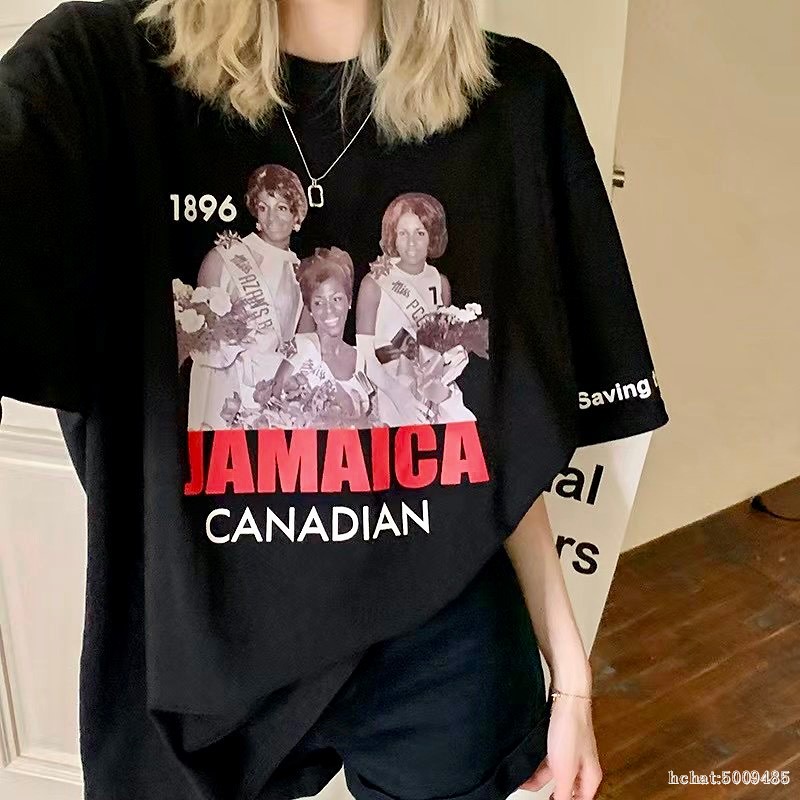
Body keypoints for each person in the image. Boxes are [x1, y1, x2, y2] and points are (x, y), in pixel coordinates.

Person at [0, 2, 671, 800]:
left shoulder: (512, 98)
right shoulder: (99, 71)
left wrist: (571, 675)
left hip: (450, 651)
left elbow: (497, 440)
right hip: (196, 649)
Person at [186, 163, 309, 429]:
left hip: (269, 393)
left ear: (297, 216)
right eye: (264, 207)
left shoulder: (303, 273)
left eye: (282, 208)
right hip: (224, 385)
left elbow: (305, 344)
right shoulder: (224, 257)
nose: (271, 218)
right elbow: (200, 341)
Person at [356, 192, 476, 426]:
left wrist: (453, 359)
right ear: (393, 237)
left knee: (462, 427)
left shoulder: (440, 282)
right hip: (388, 386)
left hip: (429, 383)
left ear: (432, 236)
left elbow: (441, 345)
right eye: (403, 233)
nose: (411, 242)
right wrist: (400, 397)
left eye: (420, 233)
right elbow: (365, 357)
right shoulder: (374, 282)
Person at [258, 246, 375, 429]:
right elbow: (271, 414)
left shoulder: (363, 359)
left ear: (349, 301)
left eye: (336, 299)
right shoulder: (301, 348)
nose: (329, 310)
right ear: (310, 309)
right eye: (319, 302)